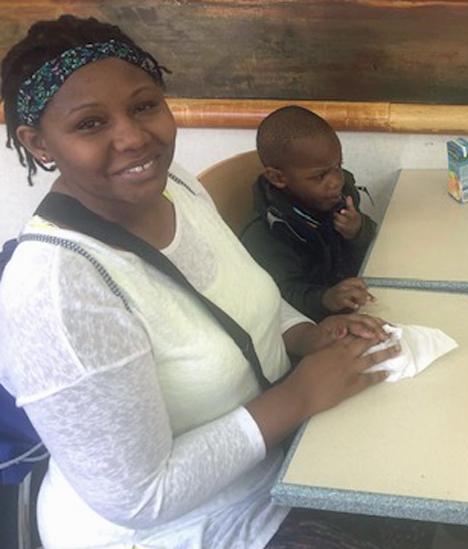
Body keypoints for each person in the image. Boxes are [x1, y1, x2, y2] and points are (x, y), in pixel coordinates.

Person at [0, 15, 405, 549]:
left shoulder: (179, 189)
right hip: (186, 530)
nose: (133, 138)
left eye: (144, 106)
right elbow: (141, 498)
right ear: (39, 143)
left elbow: (247, 297)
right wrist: (302, 395)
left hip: (283, 459)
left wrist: (310, 335)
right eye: (90, 124)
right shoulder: (57, 294)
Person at [241, 106, 377, 321]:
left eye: (338, 167)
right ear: (278, 178)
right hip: (313, 327)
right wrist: (326, 299)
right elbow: (281, 298)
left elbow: (373, 242)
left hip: (357, 303)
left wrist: (358, 230)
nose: (336, 182)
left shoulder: (337, 198)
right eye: (320, 176)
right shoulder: (266, 233)